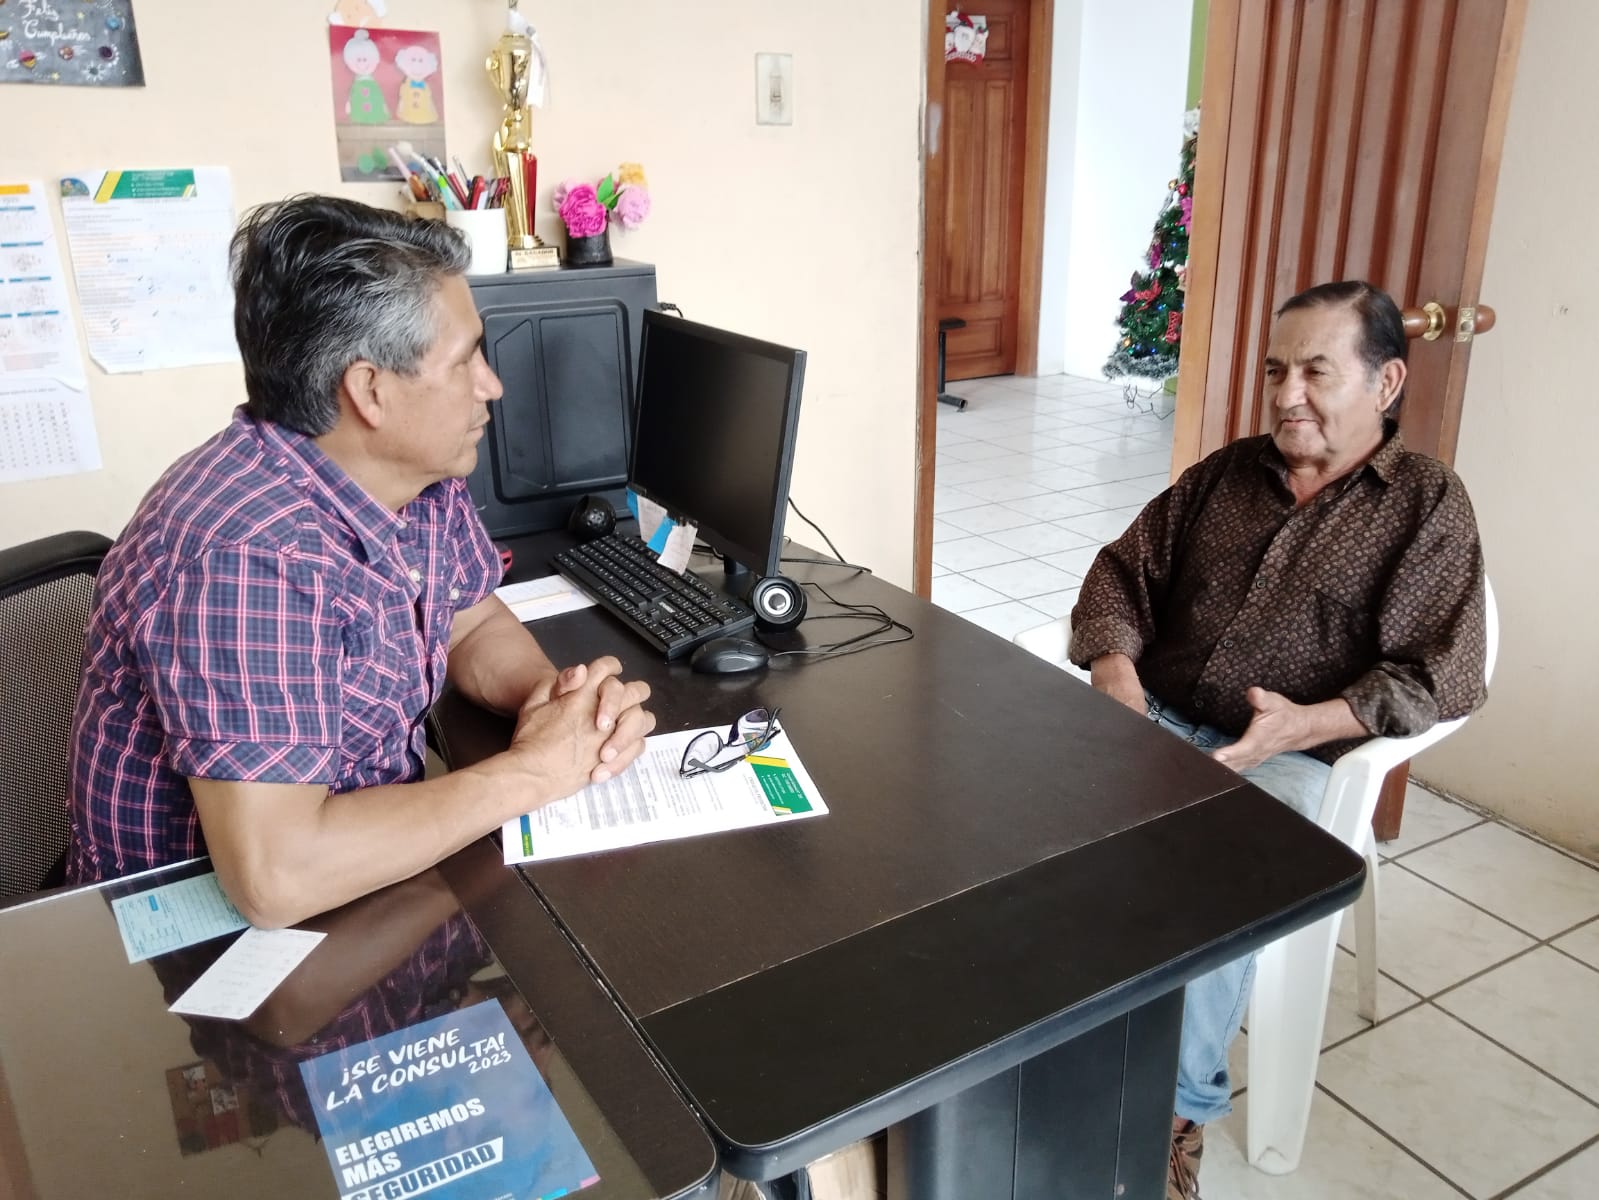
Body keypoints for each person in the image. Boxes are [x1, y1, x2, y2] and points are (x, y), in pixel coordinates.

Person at [67, 195, 655, 927]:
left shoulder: (416, 474)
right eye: (465, 360)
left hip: (364, 870)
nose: (492, 386)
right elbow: (277, 880)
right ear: (370, 391)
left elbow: (469, 622)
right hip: (201, 934)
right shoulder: (248, 553)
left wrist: (556, 704)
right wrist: (537, 770)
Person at [1067, 280, 1488, 1200]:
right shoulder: (1230, 473)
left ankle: (1170, 1123)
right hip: (1152, 716)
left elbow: (1438, 675)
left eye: (1315, 372)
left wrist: (1305, 722)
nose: (1286, 394)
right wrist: (1115, 673)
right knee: (1011, 816)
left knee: (1216, 881)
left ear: (1385, 383)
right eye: (1274, 370)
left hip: (1295, 756)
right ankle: (1017, 1058)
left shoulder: (1424, 504)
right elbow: (1121, 572)